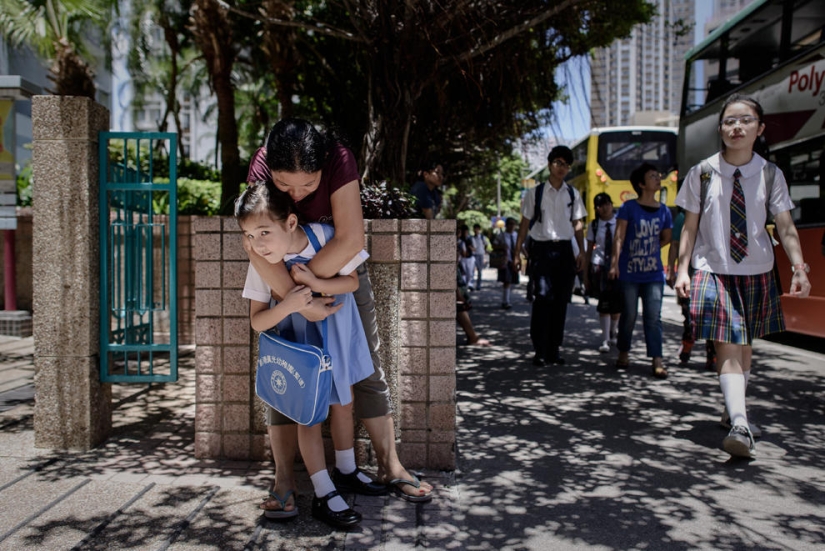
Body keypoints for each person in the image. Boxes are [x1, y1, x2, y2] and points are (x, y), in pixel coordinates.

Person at [246, 119, 433, 511]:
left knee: (364, 367)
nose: (296, 195)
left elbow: (350, 238)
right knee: (289, 374)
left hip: (334, 273)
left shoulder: (339, 159)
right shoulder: (261, 163)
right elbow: (254, 240)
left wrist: (313, 287)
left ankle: (389, 464)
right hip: (284, 280)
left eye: (308, 186)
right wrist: (298, 300)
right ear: (269, 168)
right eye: (284, 185)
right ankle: (284, 480)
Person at [675, 94, 811, 459]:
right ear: (720, 129)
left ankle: (732, 409)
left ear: (759, 128)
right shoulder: (701, 172)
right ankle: (739, 422)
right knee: (728, 344)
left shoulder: (770, 173)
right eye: (729, 121)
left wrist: (799, 267)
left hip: (756, 270)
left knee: (745, 346)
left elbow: (785, 226)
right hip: (714, 270)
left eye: (745, 121)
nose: (737, 127)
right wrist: (681, 269)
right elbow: (689, 227)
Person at [236, 182, 368, 528]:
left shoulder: (326, 236)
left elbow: (352, 282)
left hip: (335, 336)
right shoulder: (263, 266)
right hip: (300, 351)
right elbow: (257, 322)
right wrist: (291, 305)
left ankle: (346, 470)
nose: (257, 244)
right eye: (248, 235)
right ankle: (324, 491)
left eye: (264, 232)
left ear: (290, 223)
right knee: (307, 415)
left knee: (344, 402)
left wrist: (315, 283)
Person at [513, 146, 587, 366]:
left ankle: (554, 349)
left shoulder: (573, 194)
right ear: (549, 165)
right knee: (543, 298)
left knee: (561, 301)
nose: (561, 168)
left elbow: (578, 224)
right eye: (558, 162)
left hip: (564, 250)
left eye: (566, 164)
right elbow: (524, 224)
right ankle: (540, 349)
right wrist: (517, 253)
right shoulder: (535, 193)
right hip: (542, 250)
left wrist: (581, 252)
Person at [609, 163, 672, 378]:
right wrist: (615, 263)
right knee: (629, 315)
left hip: (653, 273)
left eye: (658, 175)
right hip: (629, 272)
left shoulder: (664, 210)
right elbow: (619, 237)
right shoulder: (628, 208)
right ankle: (623, 352)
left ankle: (657, 360)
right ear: (641, 184)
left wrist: (650, 248)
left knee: (654, 317)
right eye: (653, 176)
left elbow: (666, 237)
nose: (658, 179)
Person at [583, 192, 620, 353]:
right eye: (600, 205)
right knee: (604, 303)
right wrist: (585, 274)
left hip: (618, 266)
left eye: (607, 204)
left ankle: (614, 332)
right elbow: (589, 249)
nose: (604, 208)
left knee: (617, 304)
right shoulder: (594, 225)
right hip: (599, 267)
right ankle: (605, 338)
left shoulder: (620, 222)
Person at [494, 217, 520, 310]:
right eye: (510, 224)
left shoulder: (516, 235)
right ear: (507, 225)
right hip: (506, 260)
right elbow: (494, 245)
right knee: (507, 281)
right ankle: (506, 301)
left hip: (514, 261)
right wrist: (501, 246)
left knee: (511, 281)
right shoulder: (502, 235)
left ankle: (506, 299)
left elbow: (520, 246)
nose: (512, 226)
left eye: (513, 224)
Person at [469, 223, 490, 290]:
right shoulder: (472, 237)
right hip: (474, 255)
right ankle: (471, 284)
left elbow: (486, 244)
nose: (476, 230)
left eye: (477, 229)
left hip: (480, 254)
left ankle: (478, 285)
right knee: (472, 270)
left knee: (479, 271)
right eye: (475, 229)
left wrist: (484, 250)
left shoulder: (482, 237)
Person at [457, 224, 477, 288]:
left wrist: (470, 247)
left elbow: (474, 249)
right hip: (462, 258)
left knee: (470, 273)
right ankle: (465, 286)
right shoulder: (459, 240)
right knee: (463, 273)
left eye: (466, 232)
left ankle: (469, 284)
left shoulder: (471, 239)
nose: (464, 233)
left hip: (470, 258)